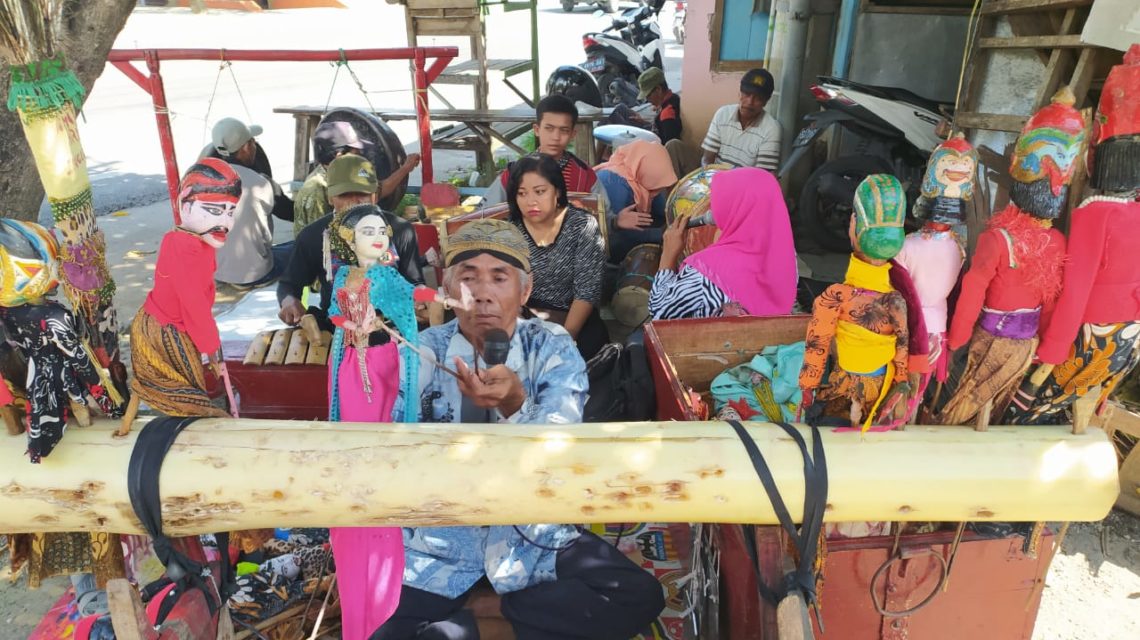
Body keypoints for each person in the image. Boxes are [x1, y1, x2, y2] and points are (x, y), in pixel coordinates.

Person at [374, 219, 665, 640]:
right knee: (376, 626)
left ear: (525, 291)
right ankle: (497, 621)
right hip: (440, 541)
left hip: (530, 535)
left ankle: (477, 615)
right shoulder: (421, 353)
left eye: (499, 277)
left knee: (636, 596)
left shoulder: (551, 345)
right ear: (448, 290)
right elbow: (389, 442)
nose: (483, 293)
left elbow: (559, 444)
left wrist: (514, 404)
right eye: (468, 277)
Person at [277, 155, 423, 332]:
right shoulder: (314, 236)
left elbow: (414, 282)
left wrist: (420, 297)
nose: (354, 202)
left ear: (375, 196)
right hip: (336, 330)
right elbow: (289, 284)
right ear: (331, 198)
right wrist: (289, 301)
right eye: (344, 195)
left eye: (362, 194)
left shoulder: (400, 230)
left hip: (392, 328)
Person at [648, 167, 797, 320]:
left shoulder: (706, 271)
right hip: (770, 340)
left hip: (718, 342)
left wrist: (668, 256)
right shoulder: (788, 256)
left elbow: (659, 313)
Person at [507, 154, 608, 360]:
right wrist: (520, 332)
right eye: (522, 193)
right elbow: (507, 288)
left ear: (558, 191)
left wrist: (564, 340)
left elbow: (586, 293)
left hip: (575, 319)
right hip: (526, 319)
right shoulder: (511, 232)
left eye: (540, 192)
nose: (530, 201)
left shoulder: (582, 226)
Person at [293, 120, 422, 236]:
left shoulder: (346, 174)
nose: (360, 157)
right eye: (356, 153)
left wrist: (405, 168)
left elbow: (379, 190)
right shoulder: (315, 190)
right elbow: (319, 237)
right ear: (339, 155)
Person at [483, 95, 609, 212]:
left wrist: (614, 222)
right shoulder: (514, 174)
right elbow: (485, 214)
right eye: (549, 128)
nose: (555, 137)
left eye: (564, 130)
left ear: (572, 134)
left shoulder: (585, 175)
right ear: (537, 130)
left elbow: (604, 216)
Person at [664, 68, 782, 178]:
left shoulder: (771, 129)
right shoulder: (723, 114)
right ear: (740, 93)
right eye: (746, 94)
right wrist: (708, 182)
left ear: (766, 101)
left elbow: (762, 177)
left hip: (743, 186)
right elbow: (707, 159)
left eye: (758, 98)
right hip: (714, 177)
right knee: (673, 146)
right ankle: (672, 198)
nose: (750, 102)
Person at [595, 140, 678, 262]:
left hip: (626, 235)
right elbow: (618, 233)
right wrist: (664, 235)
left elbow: (663, 210)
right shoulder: (614, 183)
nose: (659, 189)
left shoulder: (642, 179)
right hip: (608, 245)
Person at [203, 117, 294, 223]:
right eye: (253, 142)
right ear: (246, 147)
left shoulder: (201, 180)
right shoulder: (261, 183)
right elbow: (289, 212)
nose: (255, 146)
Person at [636, 67, 682, 145]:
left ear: (658, 90)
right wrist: (644, 121)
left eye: (648, 96)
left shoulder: (666, 114)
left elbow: (667, 147)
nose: (647, 100)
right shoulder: (674, 97)